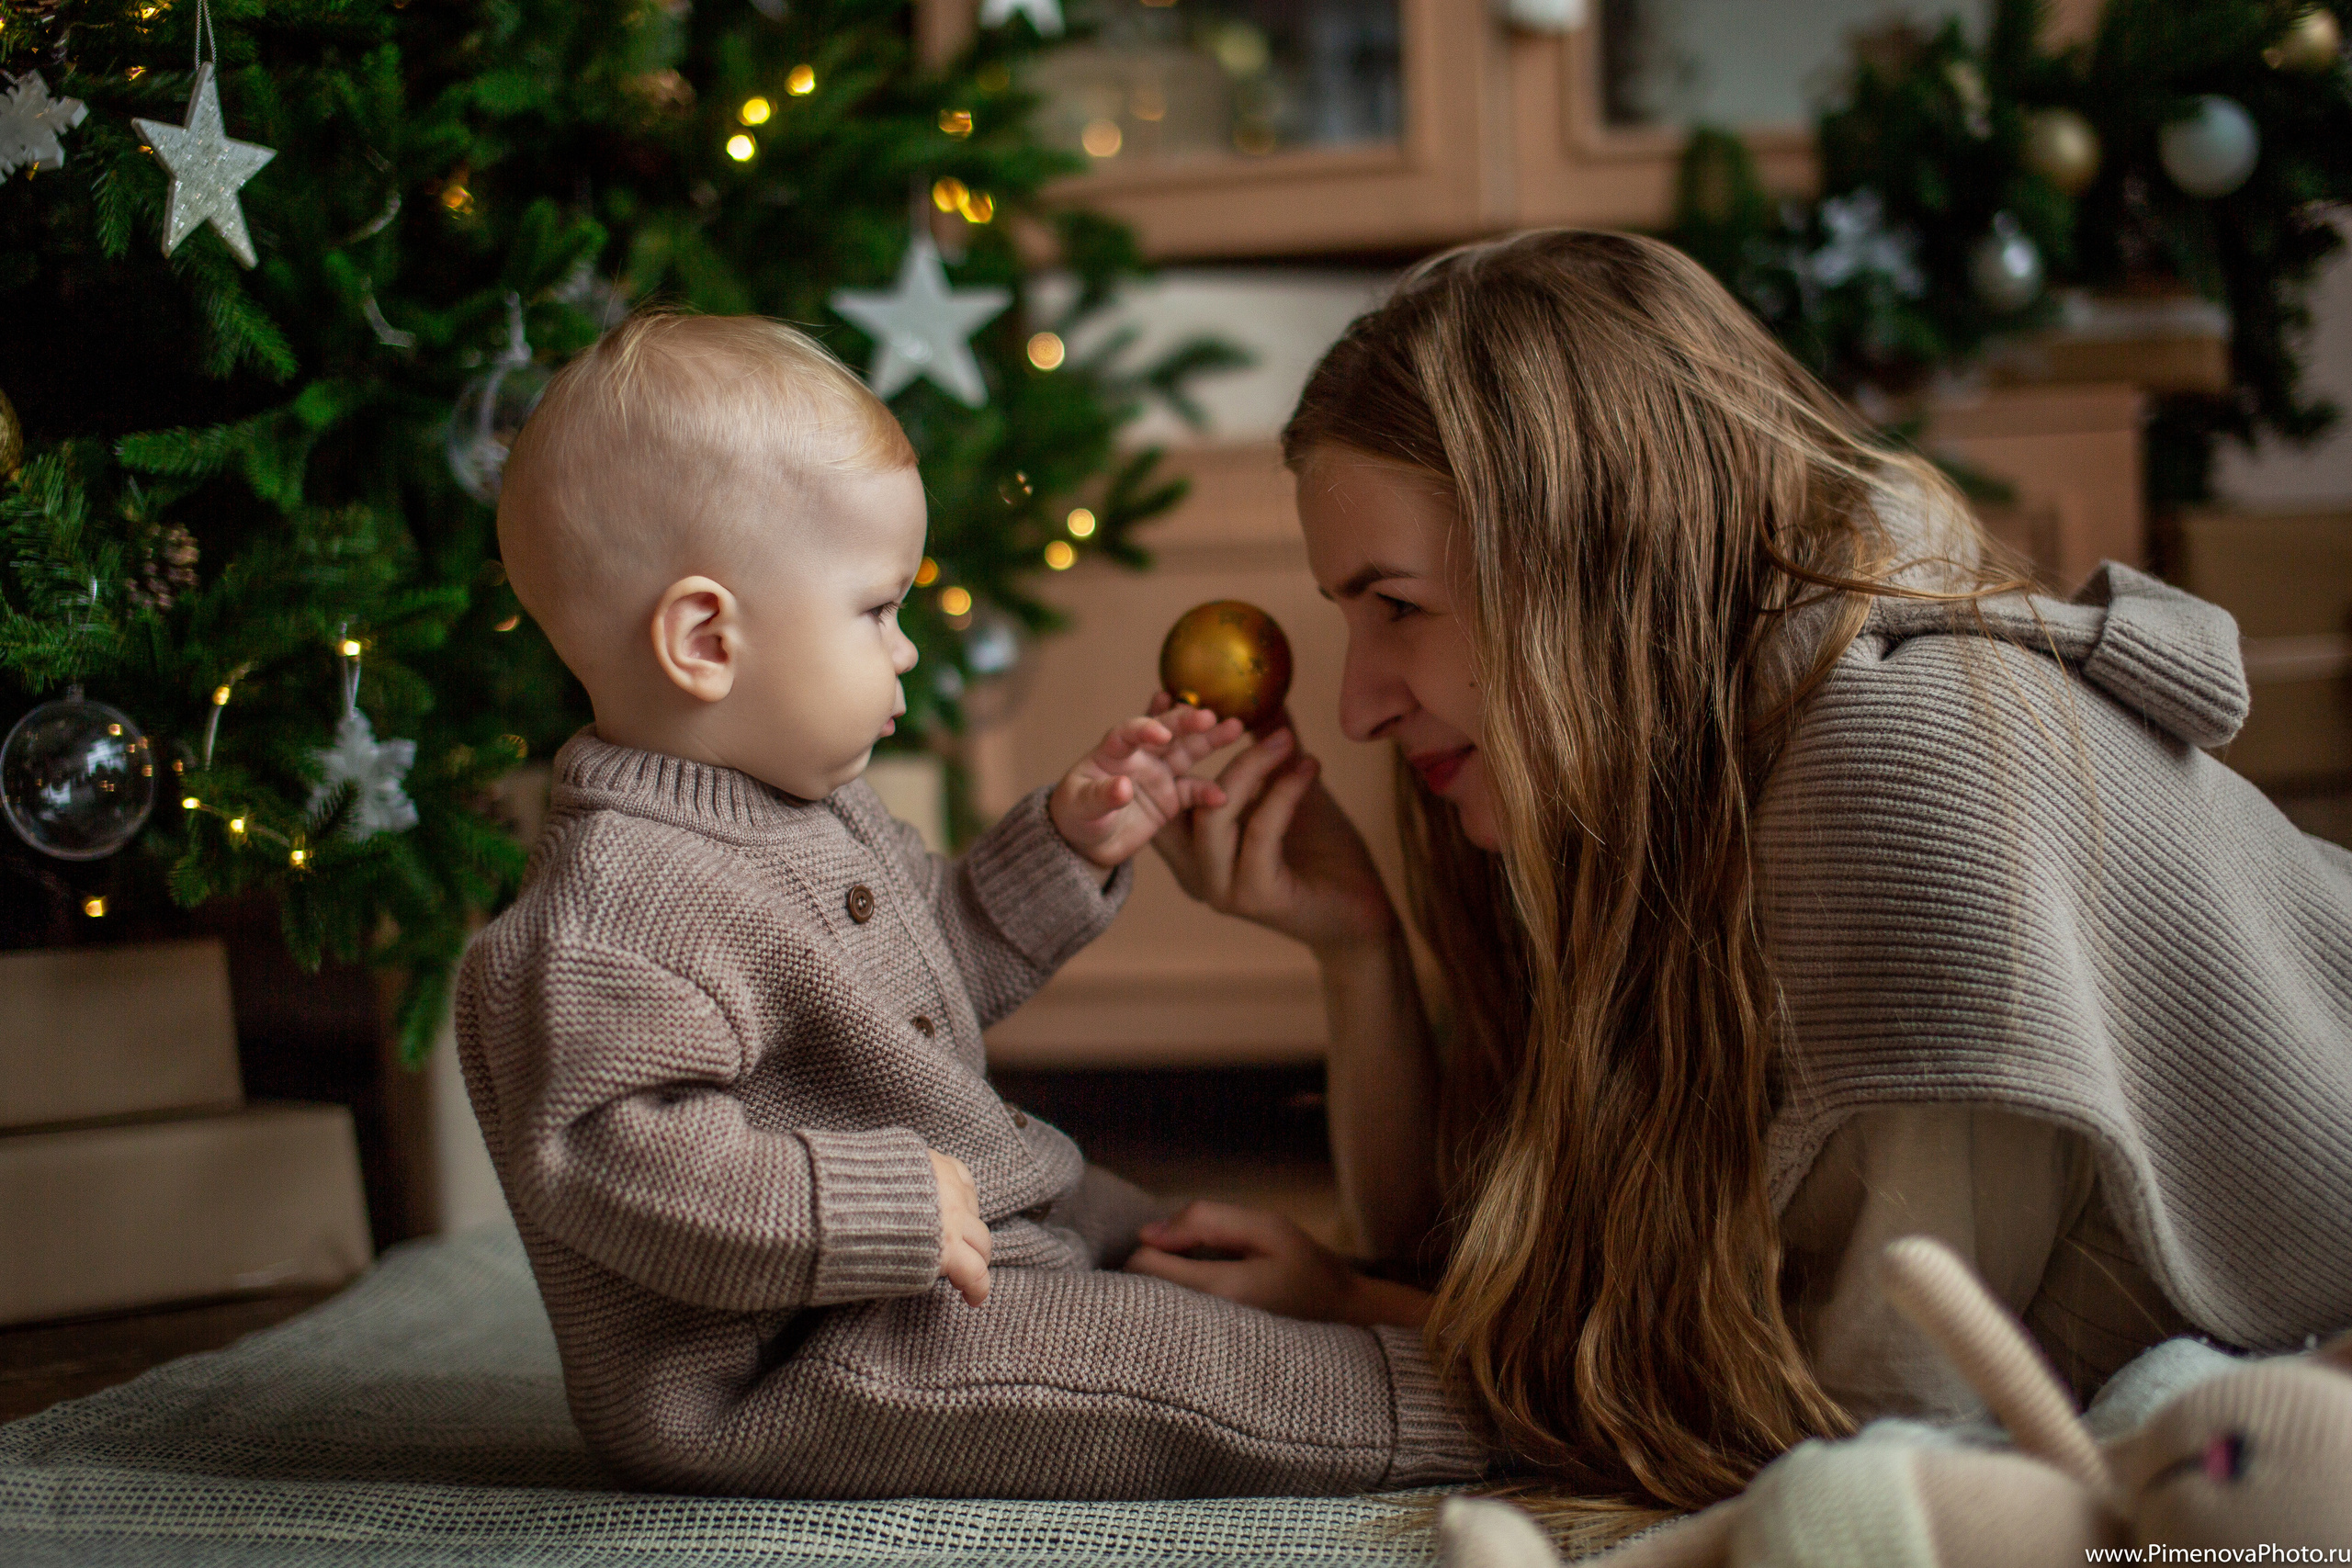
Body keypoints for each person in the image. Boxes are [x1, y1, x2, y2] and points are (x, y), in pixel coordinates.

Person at [1125, 230, 2352, 1528]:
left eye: (1399, 609)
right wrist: (1355, 947)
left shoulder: (1917, 765)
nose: (1360, 702)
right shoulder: (1649, 775)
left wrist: (1378, 1322)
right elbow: (1457, 1244)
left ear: (1598, 562)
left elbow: (1879, 1440)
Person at [458, 310, 1487, 1498]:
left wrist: (1066, 839)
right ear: (705, 638)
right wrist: (877, 1205)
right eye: (874, 611)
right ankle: (1463, 1414)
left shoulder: (808, 812)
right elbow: (610, 1164)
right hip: (807, 1357)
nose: (905, 652)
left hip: (950, 1247)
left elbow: (933, 962)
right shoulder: (611, 911)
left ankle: (1397, 1328)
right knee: (1165, 1358)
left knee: (1161, 1243)